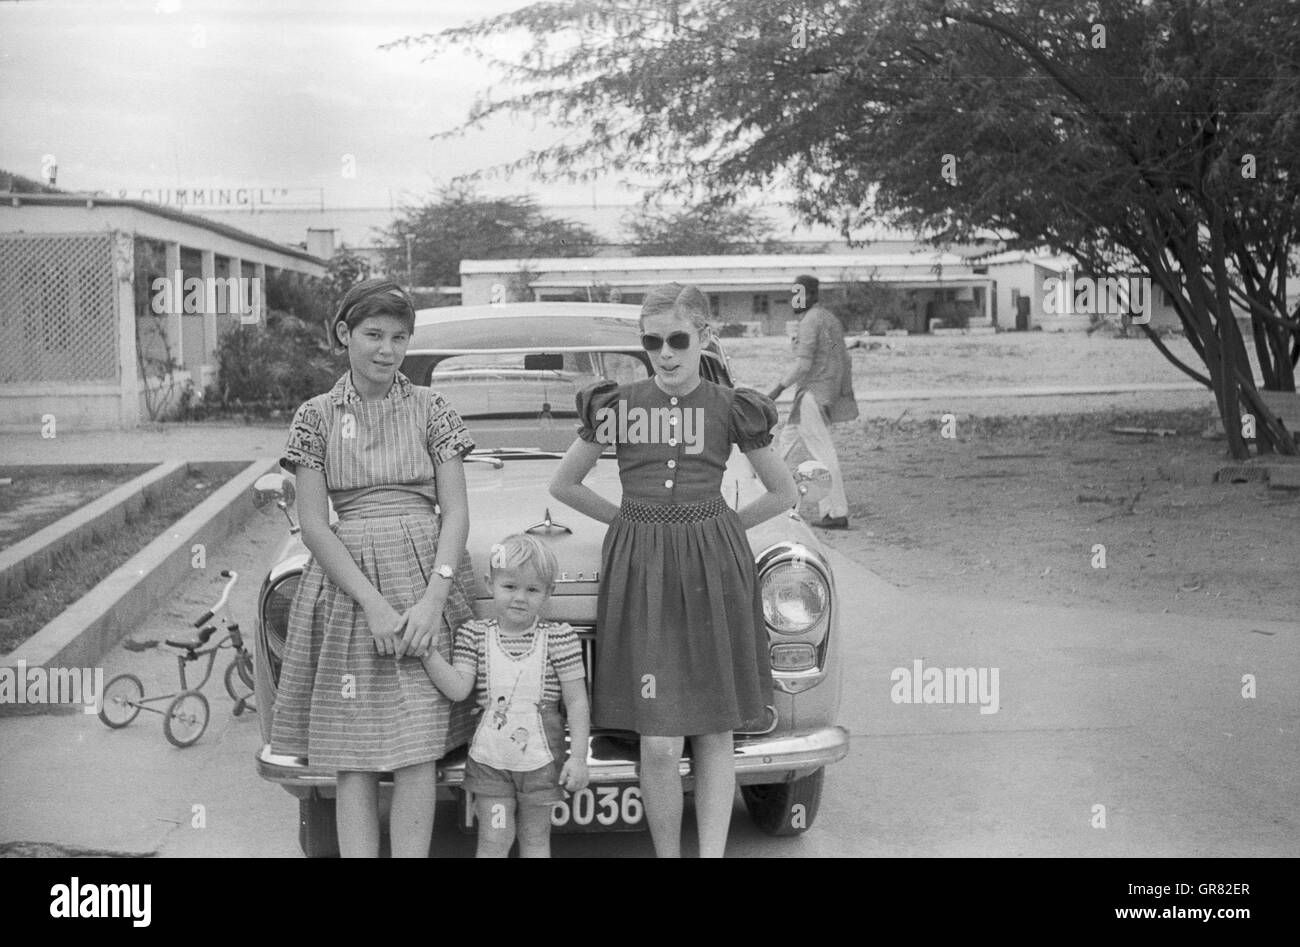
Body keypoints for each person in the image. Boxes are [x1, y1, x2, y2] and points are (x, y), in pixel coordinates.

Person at [549, 283, 798, 858]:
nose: (665, 353)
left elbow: (783, 491)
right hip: (643, 570)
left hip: (713, 566)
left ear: (705, 336)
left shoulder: (730, 406)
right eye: (653, 342)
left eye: (678, 340)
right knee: (658, 741)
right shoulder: (620, 405)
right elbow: (563, 483)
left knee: (713, 731)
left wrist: (728, 525)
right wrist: (629, 520)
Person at [270, 277, 477, 858]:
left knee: (417, 750)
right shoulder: (315, 417)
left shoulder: (432, 408)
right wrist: (373, 604)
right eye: (373, 335)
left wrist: (434, 599)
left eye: (399, 338)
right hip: (350, 589)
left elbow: (456, 511)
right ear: (344, 334)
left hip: (423, 575)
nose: (386, 350)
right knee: (353, 754)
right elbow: (313, 523)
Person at [421, 534, 591, 858]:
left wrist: (579, 757)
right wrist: (428, 653)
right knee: (495, 838)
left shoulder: (559, 638)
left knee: (536, 838)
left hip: (540, 764)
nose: (520, 598)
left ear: (549, 592)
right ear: (490, 584)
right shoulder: (474, 635)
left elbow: (577, 702)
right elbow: (458, 688)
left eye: (532, 589)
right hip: (490, 763)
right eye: (510, 586)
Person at [768, 274, 858, 529]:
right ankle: (768, 498)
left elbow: (804, 364)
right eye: (793, 293)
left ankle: (837, 513)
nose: (794, 299)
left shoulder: (810, 321)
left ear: (811, 295)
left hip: (812, 396)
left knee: (822, 454)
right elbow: (838, 359)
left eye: (799, 294)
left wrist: (776, 390)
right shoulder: (828, 319)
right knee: (782, 446)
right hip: (815, 394)